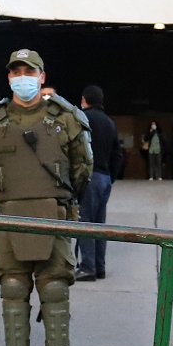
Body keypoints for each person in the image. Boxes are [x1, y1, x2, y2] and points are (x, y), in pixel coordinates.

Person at [0, 49, 92, 346]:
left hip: (53, 216)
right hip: (11, 216)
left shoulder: (67, 117)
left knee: (55, 288)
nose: (22, 77)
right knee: (13, 288)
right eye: (16, 72)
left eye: (29, 71)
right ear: (9, 77)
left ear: (41, 77)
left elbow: (83, 168)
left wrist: (59, 201)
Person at [74, 85, 123, 282]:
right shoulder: (110, 123)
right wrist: (111, 177)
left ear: (84, 100)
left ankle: (87, 267)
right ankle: (100, 267)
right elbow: (118, 154)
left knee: (85, 223)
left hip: (89, 176)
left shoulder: (83, 119)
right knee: (99, 224)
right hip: (104, 178)